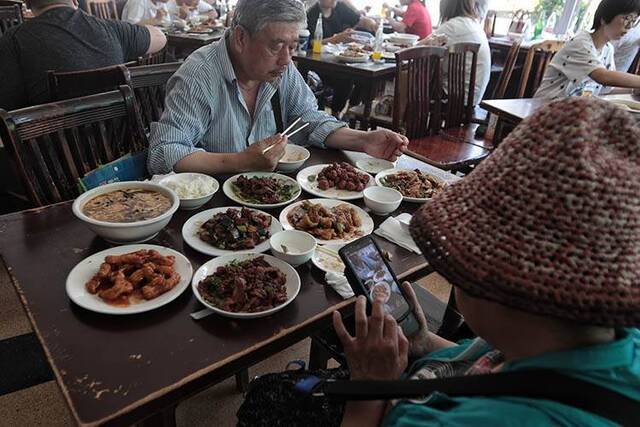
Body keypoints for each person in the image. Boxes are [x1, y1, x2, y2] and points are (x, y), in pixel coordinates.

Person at [237, 97, 640, 427]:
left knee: (267, 396)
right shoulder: (611, 343)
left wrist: (368, 388)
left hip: (391, 399)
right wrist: (424, 342)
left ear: (498, 283)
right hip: (430, 375)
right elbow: (491, 360)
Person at [147, 0, 408, 176]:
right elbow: (164, 153)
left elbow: (309, 119)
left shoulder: (279, 69)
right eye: (276, 46)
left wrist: (364, 141)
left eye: (293, 46)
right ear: (240, 38)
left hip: (270, 203)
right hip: (209, 215)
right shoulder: (199, 75)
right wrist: (241, 161)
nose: (286, 60)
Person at [0, 0, 167, 110]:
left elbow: (9, 107)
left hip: (52, 157)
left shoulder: (13, 40)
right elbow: (161, 38)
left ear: (28, 4)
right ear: (75, 0)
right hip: (120, 148)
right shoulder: (112, 29)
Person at [535, 0, 640, 99]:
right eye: (627, 18)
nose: (629, 26)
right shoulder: (581, 43)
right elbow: (602, 76)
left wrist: (633, 90)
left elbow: (605, 89)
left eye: (633, 21)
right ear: (604, 18)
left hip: (572, 111)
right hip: (545, 108)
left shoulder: (608, 50)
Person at [306, 0, 377, 116]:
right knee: (345, 77)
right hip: (319, 61)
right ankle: (336, 113)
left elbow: (358, 20)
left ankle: (351, 110)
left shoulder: (340, 8)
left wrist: (369, 22)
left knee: (364, 77)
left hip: (339, 58)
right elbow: (312, 43)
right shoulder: (312, 13)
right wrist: (336, 39)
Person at [419, 0, 491, 106]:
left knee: (413, 85)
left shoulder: (452, 27)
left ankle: (403, 120)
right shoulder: (474, 24)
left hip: (454, 101)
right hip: (472, 99)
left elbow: (414, 51)